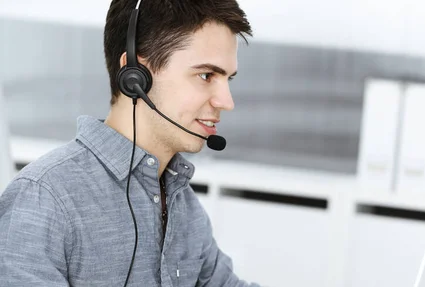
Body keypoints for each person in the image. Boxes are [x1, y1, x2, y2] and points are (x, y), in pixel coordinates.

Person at [0, 0, 261, 286]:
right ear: (136, 76)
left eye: (228, 79)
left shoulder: (182, 205)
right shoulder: (45, 200)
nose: (227, 102)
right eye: (206, 75)